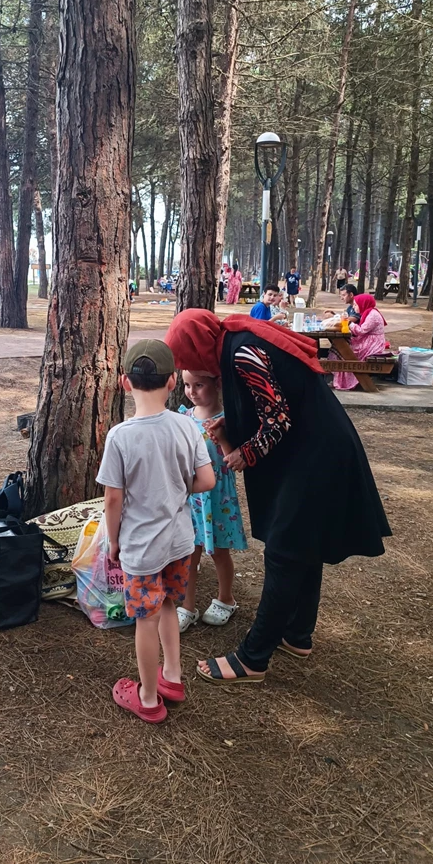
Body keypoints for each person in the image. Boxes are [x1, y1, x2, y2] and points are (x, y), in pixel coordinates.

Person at [164, 308, 391, 686]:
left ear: (198, 347)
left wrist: (245, 453)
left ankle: (253, 658)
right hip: (316, 445)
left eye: (187, 359)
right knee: (304, 543)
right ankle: (297, 635)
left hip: (316, 453)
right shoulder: (236, 339)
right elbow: (269, 403)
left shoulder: (240, 352)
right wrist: (232, 426)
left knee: (285, 549)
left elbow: (277, 418)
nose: (192, 369)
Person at [97, 339, 215, 723]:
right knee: (167, 604)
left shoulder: (120, 436)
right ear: (170, 383)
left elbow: (113, 500)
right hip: (180, 543)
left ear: (124, 383)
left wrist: (113, 542)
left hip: (142, 548)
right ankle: (173, 676)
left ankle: (148, 698)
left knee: (144, 618)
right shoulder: (186, 425)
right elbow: (207, 480)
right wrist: (176, 488)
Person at [176, 371, 247, 632]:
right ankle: (188, 605)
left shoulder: (227, 420)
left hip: (217, 497)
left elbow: (234, 461)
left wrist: (223, 438)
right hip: (191, 497)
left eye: (199, 385)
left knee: (218, 551)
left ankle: (226, 598)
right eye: (186, 385)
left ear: (217, 384)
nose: (192, 391)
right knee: (188, 552)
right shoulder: (183, 417)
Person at [332, 294, 388, 391]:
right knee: (339, 347)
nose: (353, 307)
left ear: (363, 304)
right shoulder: (368, 312)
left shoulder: (373, 315)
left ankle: (346, 381)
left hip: (372, 344)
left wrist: (349, 323)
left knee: (346, 351)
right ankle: (337, 377)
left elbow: (361, 331)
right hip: (367, 341)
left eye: (355, 305)